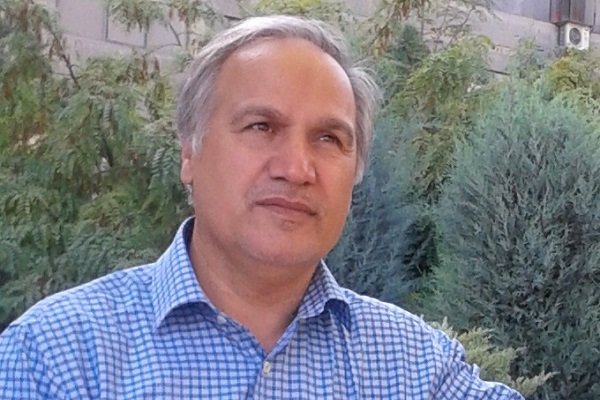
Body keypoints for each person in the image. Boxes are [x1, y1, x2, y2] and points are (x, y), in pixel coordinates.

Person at [0, 15, 524, 399]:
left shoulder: (417, 370)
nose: (296, 168)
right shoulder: (57, 359)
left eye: (328, 138)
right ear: (189, 152)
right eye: (261, 127)